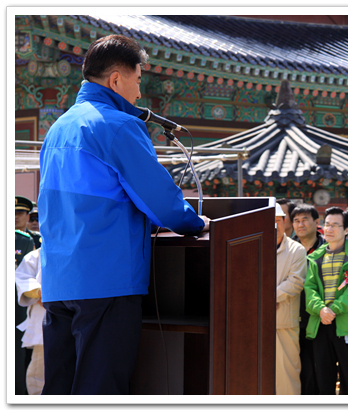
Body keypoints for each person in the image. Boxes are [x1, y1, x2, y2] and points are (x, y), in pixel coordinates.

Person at [38, 34, 210, 395]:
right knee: (99, 389)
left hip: (59, 280)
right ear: (116, 80)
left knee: (60, 387)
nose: (138, 93)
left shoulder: (57, 129)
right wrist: (196, 223)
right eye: (137, 80)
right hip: (107, 279)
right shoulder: (117, 125)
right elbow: (161, 204)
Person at [304, 207, 348, 395]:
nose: (329, 229)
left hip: (347, 323)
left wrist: (333, 309)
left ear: (346, 230)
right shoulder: (315, 257)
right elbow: (309, 289)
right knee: (323, 378)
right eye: (327, 224)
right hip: (321, 322)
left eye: (335, 225)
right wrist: (321, 310)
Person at [290, 204, 324, 394]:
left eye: (305, 220)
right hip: (293, 314)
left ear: (316, 222)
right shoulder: (286, 247)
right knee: (296, 364)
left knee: (319, 365)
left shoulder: (327, 248)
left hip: (319, 316)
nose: (300, 224)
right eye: (296, 220)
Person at [274, 203, 307, 395]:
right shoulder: (254, 245)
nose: (275, 225)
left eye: (278, 221)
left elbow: (295, 282)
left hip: (284, 321)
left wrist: (265, 298)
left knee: (288, 375)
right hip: (257, 322)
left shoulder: (297, 250)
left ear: (285, 222)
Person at [15, 248, 45, 395]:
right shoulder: (37, 254)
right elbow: (22, 277)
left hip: (79, 319)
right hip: (44, 323)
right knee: (40, 375)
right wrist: (38, 292)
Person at [15, 196, 36, 395]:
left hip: (21, 305)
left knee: (21, 352)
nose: (15, 217)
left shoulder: (31, 241)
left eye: (19, 213)